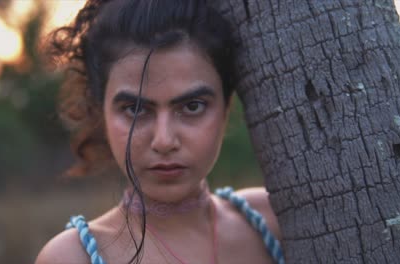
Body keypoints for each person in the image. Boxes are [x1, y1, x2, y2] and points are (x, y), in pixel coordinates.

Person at [36, 0, 284, 263]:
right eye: (134, 109)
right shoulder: (73, 256)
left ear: (225, 108)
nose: (164, 141)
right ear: (101, 114)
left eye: (192, 106)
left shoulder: (274, 218)